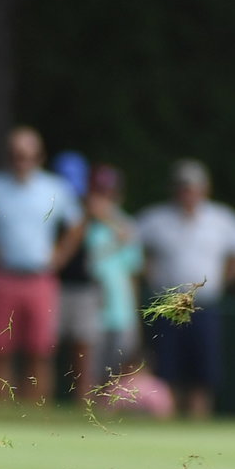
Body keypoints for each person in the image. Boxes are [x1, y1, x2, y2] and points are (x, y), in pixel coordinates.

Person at [136, 159, 235, 418]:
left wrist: (227, 277)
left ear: (204, 189)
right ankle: (168, 424)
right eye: (182, 187)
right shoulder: (157, 218)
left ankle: (197, 426)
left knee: (202, 376)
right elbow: (130, 243)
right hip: (169, 306)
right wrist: (148, 273)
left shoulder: (219, 218)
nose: (187, 193)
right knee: (167, 373)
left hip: (204, 305)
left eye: (192, 187)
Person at [0, 128, 83, 406]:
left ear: (39, 157)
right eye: (16, 156)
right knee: (0, 349)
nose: (21, 161)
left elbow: (75, 225)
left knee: (40, 350)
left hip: (40, 278)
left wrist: (60, 256)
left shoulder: (54, 188)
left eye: (27, 156)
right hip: (3, 276)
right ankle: (2, 408)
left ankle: (35, 410)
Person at [83, 164, 145, 386]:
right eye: (100, 191)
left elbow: (133, 273)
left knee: (118, 371)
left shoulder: (127, 225)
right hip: (91, 308)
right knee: (89, 370)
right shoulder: (84, 225)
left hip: (120, 310)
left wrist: (135, 315)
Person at [51, 151, 100, 401]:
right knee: (47, 349)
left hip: (82, 287)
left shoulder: (88, 210)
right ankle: (43, 402)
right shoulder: (50, 205)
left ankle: (83, 403)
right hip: (53, 285)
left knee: (82, 349)